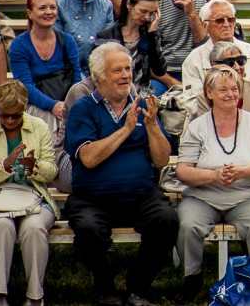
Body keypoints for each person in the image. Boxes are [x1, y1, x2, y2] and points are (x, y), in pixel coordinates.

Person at [64, 42, 178, 306]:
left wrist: (151, 126)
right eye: (118, 71)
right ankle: (105, 286)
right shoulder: (83, 108)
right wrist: (125, 130)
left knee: (167, 219)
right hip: (92, 197)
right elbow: (89, 158)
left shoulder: (141, 107)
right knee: (88, 228)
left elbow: (161, 159)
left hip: (139, 195)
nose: (126, 75)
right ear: (99, 77)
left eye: (128, 69)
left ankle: (139, 286)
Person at [174, 65, 250, 302]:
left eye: (234, 89)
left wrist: (242, 172)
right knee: (187, 224)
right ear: (209, 93)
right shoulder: (197, 125)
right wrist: (213, 176)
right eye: (223, 90)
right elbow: (183, 170)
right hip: (203, 195)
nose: (231, 94)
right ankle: (193, 277)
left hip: (244, 196)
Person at [0, 80, 59, 306]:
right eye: (4, 115)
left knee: (34, 228)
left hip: (35, 196)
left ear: (25, 109)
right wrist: (5, 165)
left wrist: (34, 167)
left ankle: (35, 297)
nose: (9, 121)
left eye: (16, 116)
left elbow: (52, 171)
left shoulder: (39, 126)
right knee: (1, 225)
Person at [9, 0, 83, 135]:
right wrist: (53, 105)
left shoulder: (68, 41)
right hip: (37, 104)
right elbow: (25, 87)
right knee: (45, 120)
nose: (49, 12)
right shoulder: (19, 45)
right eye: (42, 8)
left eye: (53, 7)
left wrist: (67, 105)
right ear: (30, 13)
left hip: (67, 102)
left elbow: (76, 78)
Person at [179, 0, 250, 103]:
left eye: (231, 19)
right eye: (219, 20)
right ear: (204, 26)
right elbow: (193, 105)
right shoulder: (193, 61)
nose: (226, 24)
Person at [92, 0, 169, 93]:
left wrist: (153, 35)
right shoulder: (107, 36)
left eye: (152, 13)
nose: (147, 17)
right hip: (115, 95)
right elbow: (97, 75)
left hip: (143, 95)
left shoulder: (150, 34)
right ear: (129, 4)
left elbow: (160, 70)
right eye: (143, 11)